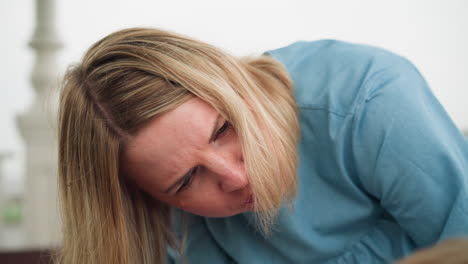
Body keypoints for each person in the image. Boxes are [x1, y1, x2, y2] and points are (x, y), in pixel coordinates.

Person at [56, 28, 468, 264]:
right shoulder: (160, 221)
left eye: (223, 129)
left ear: (236, 85)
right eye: (186, 181)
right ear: (149, 201)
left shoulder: (369, 95)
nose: (236, 176)